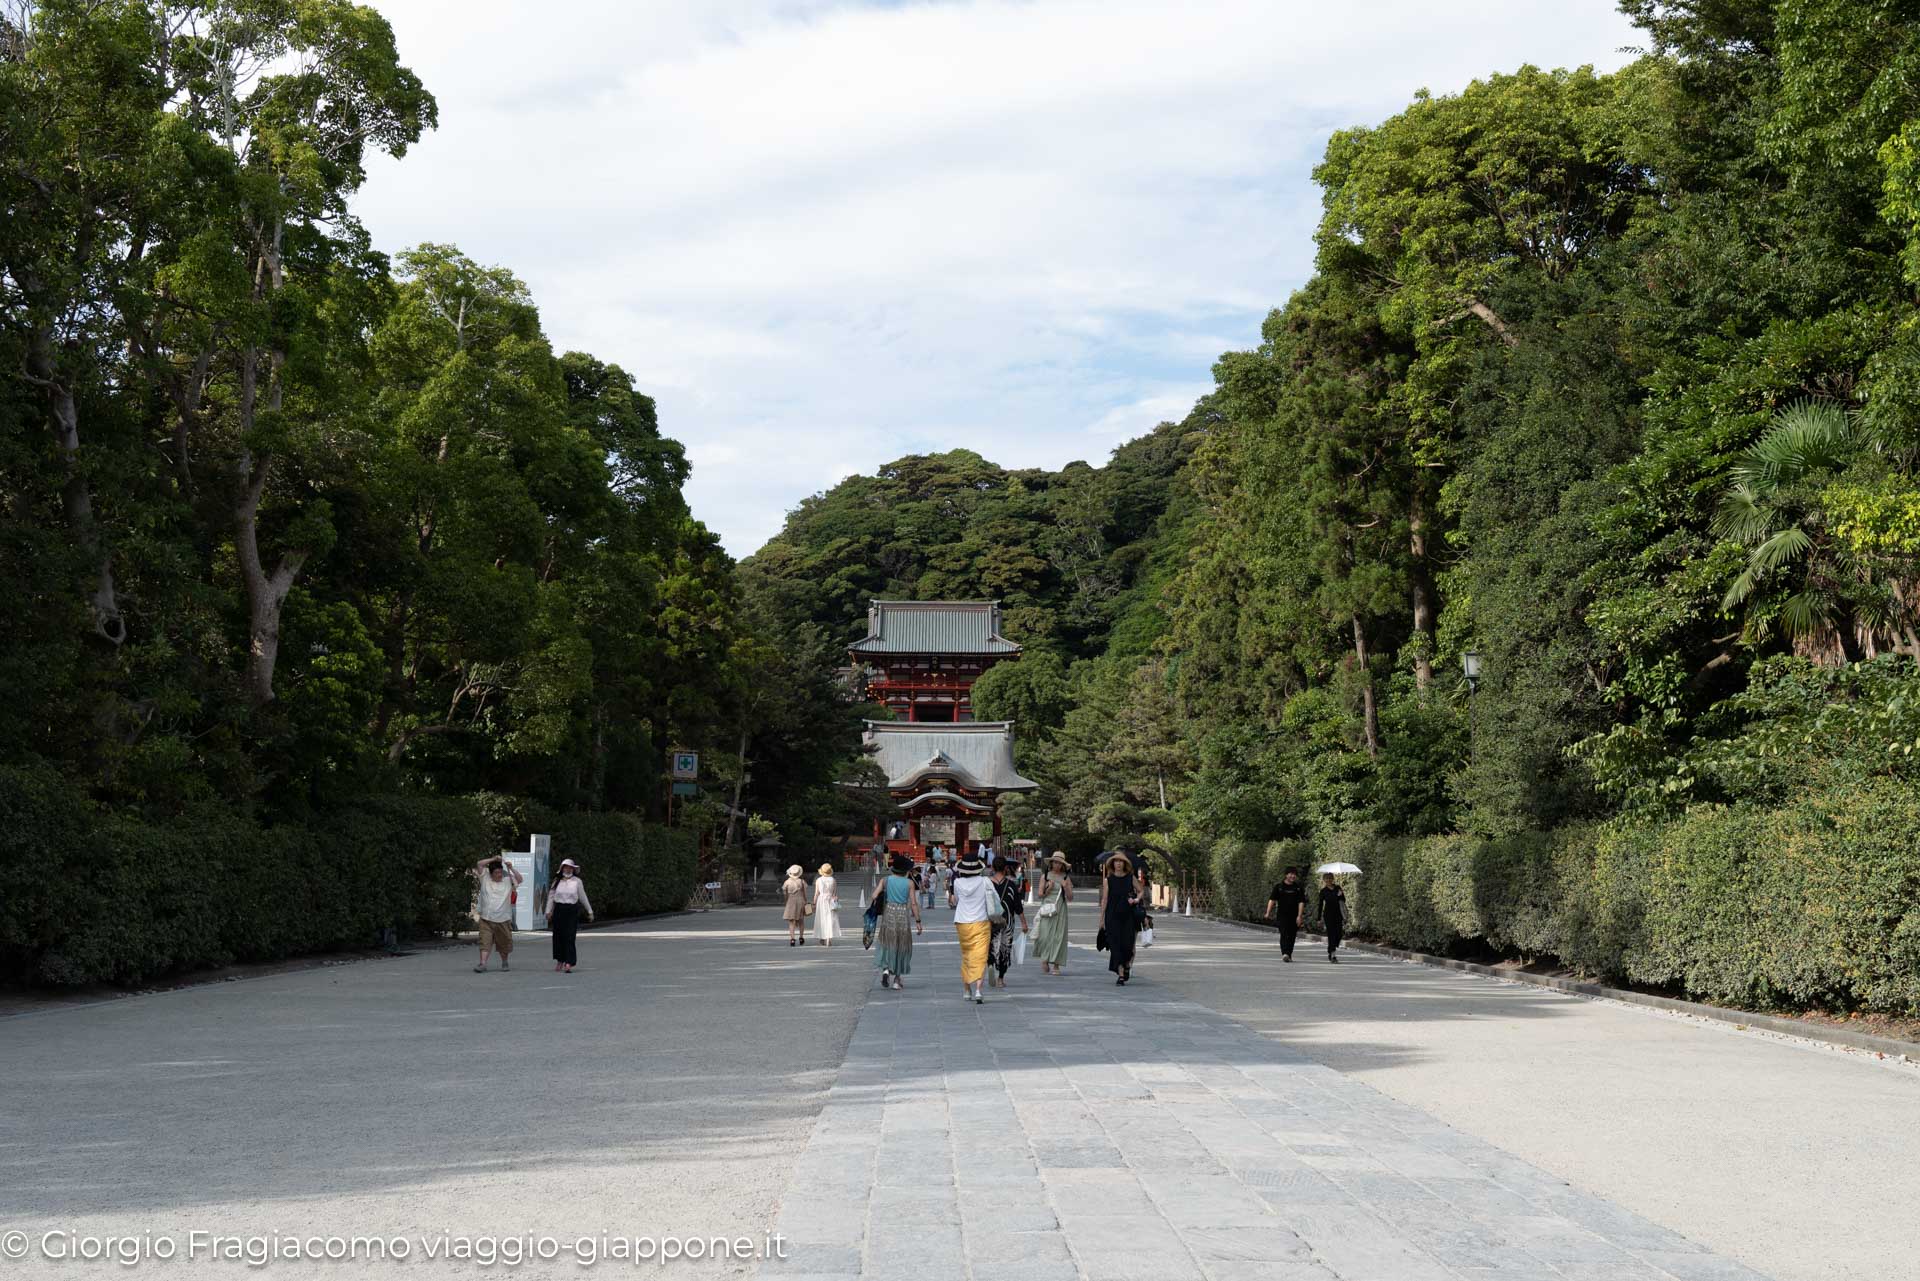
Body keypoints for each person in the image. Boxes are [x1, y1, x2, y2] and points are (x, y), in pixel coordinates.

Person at [948, 852, 994, 1003]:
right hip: (981, 920)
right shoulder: (985, 881)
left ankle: (967, 989)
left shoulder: (958, 883)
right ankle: (979, 990)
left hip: (962, 922)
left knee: (967, 955)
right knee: (981, 956)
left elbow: (956, 900)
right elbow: (994, 899)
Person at [874, 854, 924, 989]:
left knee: (887, 941)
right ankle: (897, 979)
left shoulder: (885, 880)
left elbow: (874, 895)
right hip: (902, 915)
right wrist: (918, 921)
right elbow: (914, 904)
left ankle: (885, 969)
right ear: (906, 871)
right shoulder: (909, 883)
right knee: (901, 944)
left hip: (889, 913)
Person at [1099, 852, 1143, 985]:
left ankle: (1127, 965)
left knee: (1128, 945)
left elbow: (1141, 891)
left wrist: (1136, 900)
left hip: (1128, 914)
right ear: (1112, 864)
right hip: (1112, 915)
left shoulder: (1131, 878)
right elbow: (1105, 899)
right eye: (1116, 861)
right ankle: (1121, 974)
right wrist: (1102, 919)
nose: (1118, 863)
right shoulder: (1108, 880)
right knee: (1115, 945)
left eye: (1121, 861)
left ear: (1125, 864)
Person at [472, 856, 523, 973]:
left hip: (503, 919)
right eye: (496, 872)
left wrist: (511, 868)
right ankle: (482, 964)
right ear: (491, 873)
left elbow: (520, 879)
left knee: (504, 944)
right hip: (486, 919)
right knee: (485, 942)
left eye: (500, 872)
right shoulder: (485, 878)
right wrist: (493, 859)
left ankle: (504, 962)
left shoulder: (507, 881)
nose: (499, 874)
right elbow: (479, 863)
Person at [986, 857, 1030, 989]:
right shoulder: (1011, 885)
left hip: (990, 921)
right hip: (1007, 922)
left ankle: (990, 965)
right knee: (1005, 949)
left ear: (992, 868)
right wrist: (1024, 923)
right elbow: (1018, 907)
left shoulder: (987, 884)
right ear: (1005, 868)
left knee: (990, 945)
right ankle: (1000, 979)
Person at [547, 858, 594, 973]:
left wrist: (590, 911)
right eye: (565, 867)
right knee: (558, 936)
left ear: (573, 869)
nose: (568, 869)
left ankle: (569, 962)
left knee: (570, 936)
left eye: (570, 867)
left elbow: (583, 896)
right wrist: (548, 911)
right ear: (562, 868)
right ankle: (560, 960)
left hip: (571, 910)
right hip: (559, 909)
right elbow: (551, 896)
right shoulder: (556, 881)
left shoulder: (577, 881)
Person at [1031, 853, 1072, 975]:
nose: (1057, 865)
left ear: (1063, 865)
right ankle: (1045, 958)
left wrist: (1066, 888)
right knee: (1045, 935)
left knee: (1059, 937)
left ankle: (1056, 965)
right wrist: (1048, 889)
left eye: (1060, 863)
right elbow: (1039, 895)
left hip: (1060, 909)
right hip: (1047, 908)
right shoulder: (1045, 876)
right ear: (1051, 863)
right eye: (1055, 862)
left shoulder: (1066, 878)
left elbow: (1070, 898)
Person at [1265, 866, 1307, 963]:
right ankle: (1285, 953)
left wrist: (1299, 916)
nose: (1293, 876)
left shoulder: (1298, 888)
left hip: (1294, 916)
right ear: (1286, 875)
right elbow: (1272, 900)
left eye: (1294, 874)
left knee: (1292, 936)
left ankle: (1289, 954)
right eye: (1291, 874)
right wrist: (1268, 912)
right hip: (1282, 916)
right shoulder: (1279, 887)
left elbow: (1301, 902)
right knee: (1284, 934)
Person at [1319, 872, 1347, 963]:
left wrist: (1341, 895)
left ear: (1332, 879)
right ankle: (1333, 954)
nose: (1328, 880)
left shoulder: (1338, 888)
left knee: (1339, 934)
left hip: (1338, 915)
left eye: (1330, 878)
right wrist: (1318, 918)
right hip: (1328, 915)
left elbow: (1343, 900)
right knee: (1331, 935)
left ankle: (1331, 948)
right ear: (1324, 880)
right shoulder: (1323, 891)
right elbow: (1320, 905)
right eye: (1326, 879)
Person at [812, 863, 841, 946]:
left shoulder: (819, 880)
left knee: (821, 918)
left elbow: (816, 893)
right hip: (830, 900)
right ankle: (829, 938)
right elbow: (835, 893)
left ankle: (822, 937)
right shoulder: (833, 880)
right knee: (830, 918)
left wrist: (814, 903)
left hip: (821, 900)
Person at [781, 864, 808, 945]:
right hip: (800, 901)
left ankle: (792, 939)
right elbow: (805, 894)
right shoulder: (802, 881)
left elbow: (785, 894)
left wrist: (786, 901)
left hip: (791, 901)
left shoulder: (787, 882)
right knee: (801, 920)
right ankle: (801, 937)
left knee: (791, 921)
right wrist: (806, 901)